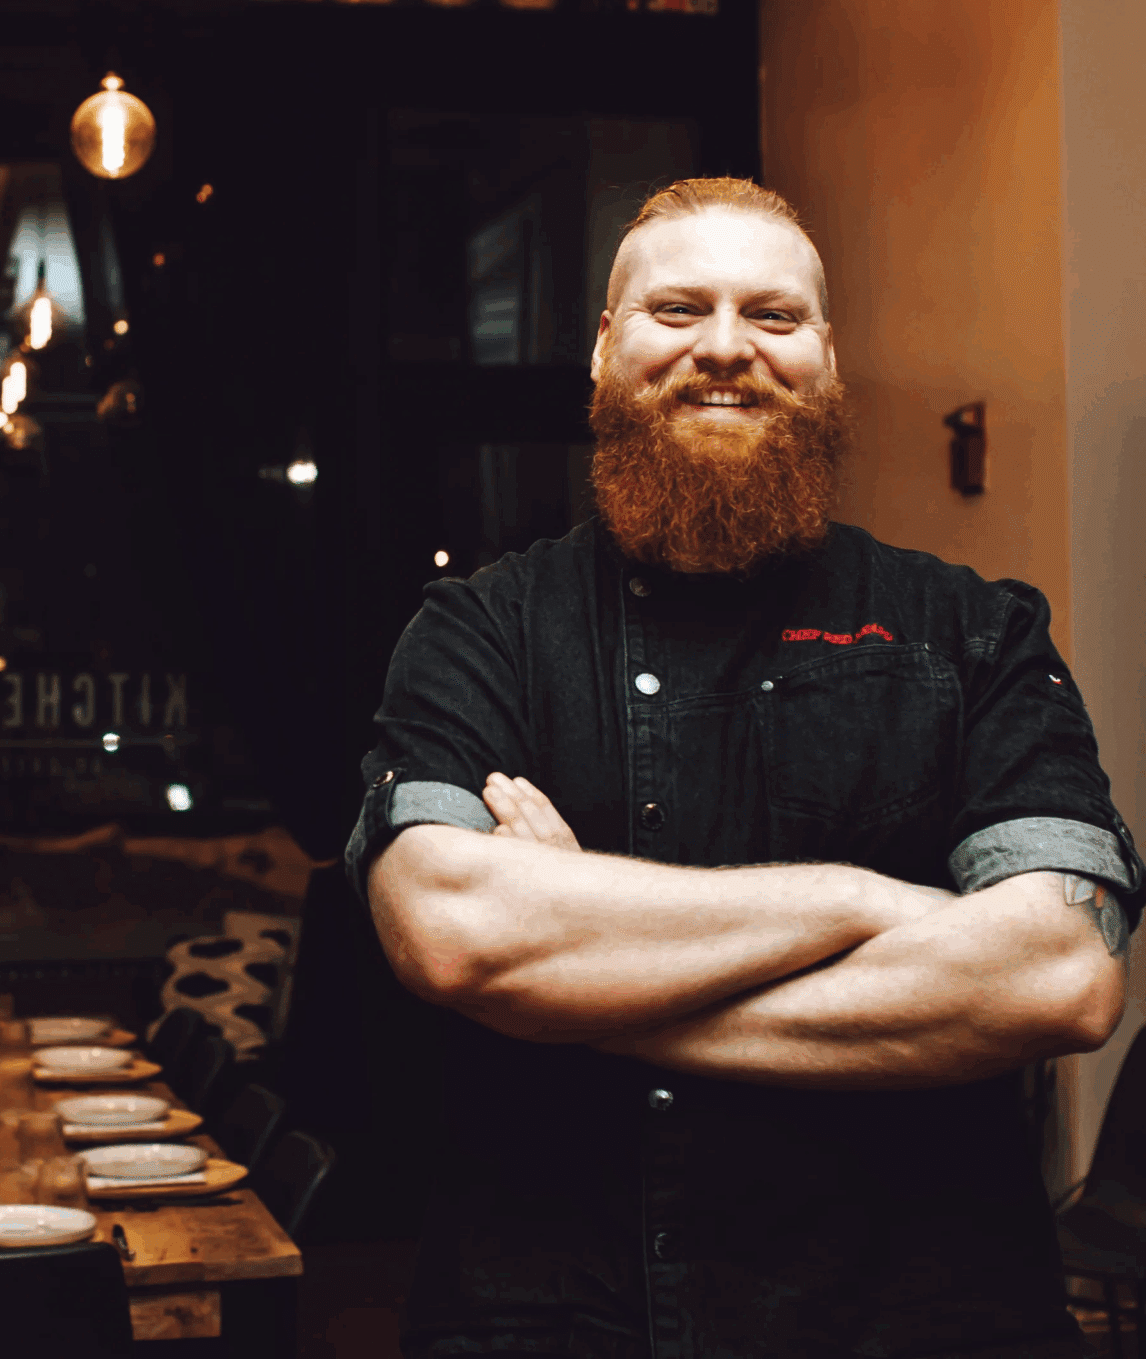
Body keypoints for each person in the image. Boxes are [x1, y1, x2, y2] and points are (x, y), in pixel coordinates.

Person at [350, 177, 1140, 1358]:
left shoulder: (974, 630)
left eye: (772, 317)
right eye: (678, 309)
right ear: (606, 349)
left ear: (826, 357)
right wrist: (862, 901)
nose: (724, 348)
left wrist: (580, 991)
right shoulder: (482, 630)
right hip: (553, 1313)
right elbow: (456, 932)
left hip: (918, 1317)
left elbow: (1056, 977)